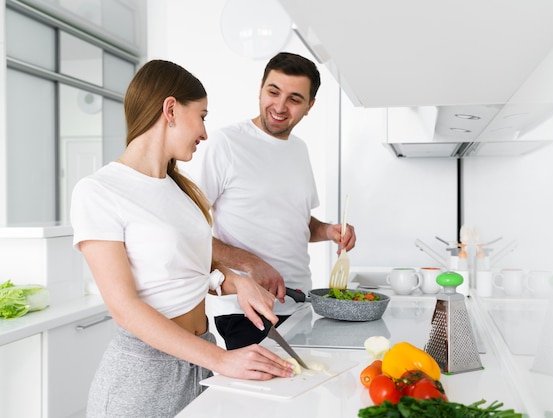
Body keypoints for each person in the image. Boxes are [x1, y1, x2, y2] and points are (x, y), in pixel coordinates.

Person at [70, 59, 293, 418]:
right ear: (170, 109)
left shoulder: (181, 190)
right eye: (202, 116)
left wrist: (235, 282)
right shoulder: (99, 191)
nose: (205, 132)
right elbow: (124, 308)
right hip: (144, 378)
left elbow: (184, 267)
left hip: (200, 356)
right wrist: (222, 359)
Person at [189, 52, 356, 350]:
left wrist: (329, 231)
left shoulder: (299, 149)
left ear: (309, 106)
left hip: (298, 305)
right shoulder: (225, 144)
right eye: (273, 92)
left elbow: (298, 220)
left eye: (294, 98)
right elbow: (188, 231)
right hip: (246, 311)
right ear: (260, 89)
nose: (279, 106)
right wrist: (251, 263)